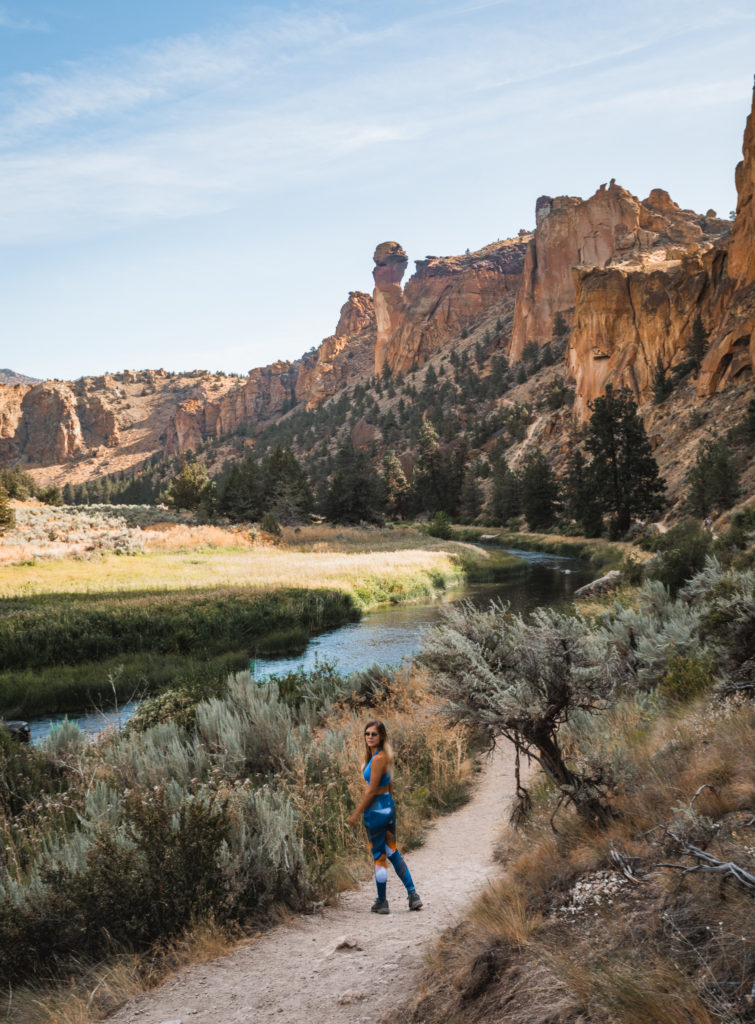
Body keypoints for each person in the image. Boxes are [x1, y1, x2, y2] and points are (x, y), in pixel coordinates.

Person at [347, 719, 422, 914]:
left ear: (381, 737)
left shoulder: (379, 758)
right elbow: (390, 786)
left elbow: (371, 791)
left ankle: (382, 901)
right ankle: (412, 894)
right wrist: (391, 806)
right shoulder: (384, 757)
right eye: (367, 733)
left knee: (379, 857)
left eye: (374, 734)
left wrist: (356, 813)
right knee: (392, 851)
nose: (369, 737)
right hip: (388, 808)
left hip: (375, 811)